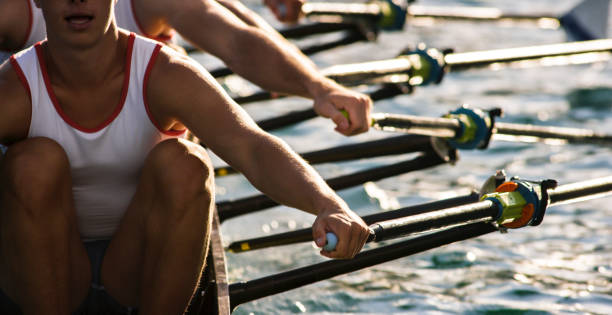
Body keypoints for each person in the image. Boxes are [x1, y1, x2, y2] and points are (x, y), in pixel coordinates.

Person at [0, 0, 371, 314]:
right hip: (43, 272)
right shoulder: (12, 88)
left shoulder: (167, 74)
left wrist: (328, 204)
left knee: (187, 164)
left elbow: (252, 146)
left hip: (138, 262)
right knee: (32, 164)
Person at [0, 0, 371, 137]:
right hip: (34, 165)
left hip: (149, 164)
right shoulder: (14, 12)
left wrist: (319, 87)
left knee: (184, 164)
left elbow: (236, 40)